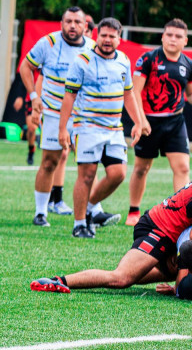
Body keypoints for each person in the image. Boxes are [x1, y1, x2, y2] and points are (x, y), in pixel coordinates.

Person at [58, 17, 147, 238]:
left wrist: (137, 122)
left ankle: (88, 209)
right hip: (87, 128)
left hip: (114, 129)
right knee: (87, 175)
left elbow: (128, 93)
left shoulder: (124, 60)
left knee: (118, 174)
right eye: (104, 35)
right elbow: (69, 96)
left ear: (119, 38)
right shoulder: (82, 61)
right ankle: (79, 224)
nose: (107, 40)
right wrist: (63, 129)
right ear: (97, 35)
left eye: (112, 36)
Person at [31, 184, 192, 298]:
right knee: (122, 278)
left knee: (165, 273)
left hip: (170, 234)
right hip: (157, 229)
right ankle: (59, 281)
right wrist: (178, 287)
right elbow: (188, 244)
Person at [19, 7, 94, 226]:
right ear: (61, 23)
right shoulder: (48, 43)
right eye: (68, 21)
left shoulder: (92, 48)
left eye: (77, 22)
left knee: (89, 164)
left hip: (82, 115)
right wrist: (34, 97)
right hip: (53, 112)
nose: (72, 25)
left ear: (85, 26)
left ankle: (91, 211)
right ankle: (41, 211)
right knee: (50, 161)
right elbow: (26, 67)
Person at [126, 19, 192, 227]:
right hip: (149, 122)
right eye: (169, 35)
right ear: (162, 36)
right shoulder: (148, 59)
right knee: (141, 168)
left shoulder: (188, 64)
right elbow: (134, 91)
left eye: (178, 36)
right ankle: (133, 210)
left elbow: (189, 94)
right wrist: (141, 119)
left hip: (175, 122)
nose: (173, 39)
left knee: (182, 167)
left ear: (185, 41)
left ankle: (179, 214)